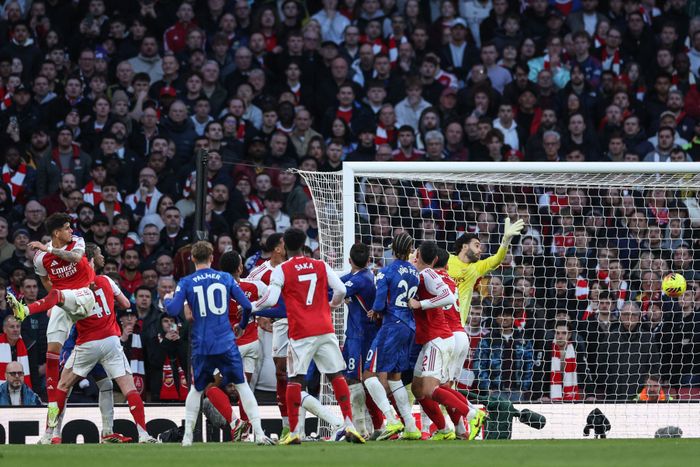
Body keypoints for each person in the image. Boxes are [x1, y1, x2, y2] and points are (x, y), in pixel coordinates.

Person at [253, 228, 364, 445]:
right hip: (324, 327)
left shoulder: (282, 269)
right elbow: (341, 290)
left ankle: (295, 431)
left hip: (301, 332)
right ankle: (349, 424)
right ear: (304, 243)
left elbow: (271, 300)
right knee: (336, 375)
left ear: (285, 246)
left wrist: (251, 306)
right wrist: (332, 305)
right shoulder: (320, 264)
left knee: (294, 379)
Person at [164, 241, 274, 446]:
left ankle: (187, 438)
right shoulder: (225, 278)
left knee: (198, 388)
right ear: (212, 257)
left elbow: (173, 310)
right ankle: (258, 434)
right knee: (242, 386)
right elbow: (247, 306)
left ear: (193, 258)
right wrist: (242, 325)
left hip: (203, 344)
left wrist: (167, 299)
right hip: (226, 341)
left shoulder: (186, 282)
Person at [49, 242, 158, 444]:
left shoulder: (72, 285)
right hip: (107, 340)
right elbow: (126, 304)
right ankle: (143, 434)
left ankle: (56, 434)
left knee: (65, 386)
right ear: (91, 259)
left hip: (86, 343)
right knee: (128, 388)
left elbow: (51, 311)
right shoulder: (106, 280)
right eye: (100, 254)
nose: (103, 257)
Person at [7, 213, 96, 436]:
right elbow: (45, 279)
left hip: (84, 296)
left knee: (57, 294)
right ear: (57, 232)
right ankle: (53, 404)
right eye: (66, 228)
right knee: (51, 353)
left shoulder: (77, 242)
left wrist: (48, 249)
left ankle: (26, 310)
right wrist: (55, 300)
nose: (71, 231)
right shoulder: (40, 259)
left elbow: (75, 258)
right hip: (62, 299)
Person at [363, 232, 421, 441]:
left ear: (393, 249)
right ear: (410, 250)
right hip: (409, 326)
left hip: (392, 326)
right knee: (395, 377)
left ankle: (391, 419)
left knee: (368, 374)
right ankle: (411, 426)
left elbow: (379, 304)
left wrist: (375, 310)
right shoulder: (415, 273)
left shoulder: (385, 271)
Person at [246, 233, 291, 437]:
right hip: (267, 330)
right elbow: (246, 295)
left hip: (294, 326)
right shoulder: (259, 272)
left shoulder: (291, 268)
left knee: (294, 375)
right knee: (258, 375)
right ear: (277, 249)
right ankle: (250, 427)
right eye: (283, 243)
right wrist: (259, 317)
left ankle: (293, 425)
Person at [338, 243, 381, 438]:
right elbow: (339, 284)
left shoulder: (360, 280)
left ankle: (363, 429)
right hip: (355, 334)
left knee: (358, 379)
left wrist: (340, 295)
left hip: (362, 335)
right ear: (369, 260)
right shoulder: (361, 276)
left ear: (349, 260)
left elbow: (334, 291)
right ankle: (371, 426)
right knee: (353, 379)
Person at [448, 217, 525, 325]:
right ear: (465, 247)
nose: (480, 250)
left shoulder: (477, 267)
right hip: (437, 318)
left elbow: (497, 259)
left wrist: (506, 241)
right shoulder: (446, 259)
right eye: (476, 246)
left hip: (458, 323)